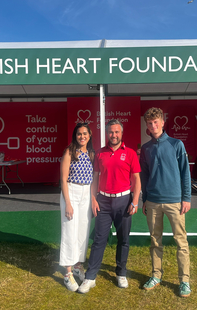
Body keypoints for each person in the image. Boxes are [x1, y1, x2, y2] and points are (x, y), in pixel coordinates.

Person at [78, 119, 141, 294]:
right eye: (111, 132)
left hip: (124, 201)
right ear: (107, 134)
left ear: (121, 133)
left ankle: (121, 273)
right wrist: (93, 198)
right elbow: (95, 178)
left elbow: (136, 179)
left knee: (124, 240)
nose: (113, 135)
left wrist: (135, 201)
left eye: (116, 132)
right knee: (99, 240)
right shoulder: (99, 153)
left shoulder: (130, 153)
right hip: (103, 201)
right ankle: (90, 277)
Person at [139, 107, 192, 298]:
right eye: (149, 123)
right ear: (147, 125)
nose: (153, 126)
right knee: (155, 241)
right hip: (152, 202)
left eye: (156, 122)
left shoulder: (176, 144)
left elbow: (185, 172)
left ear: (162, 122)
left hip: (175, 202)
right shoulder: (145, 149)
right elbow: (144, 176)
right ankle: (156, 275)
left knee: (181, 242)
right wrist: (144, 199)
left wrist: (186, 198)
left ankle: (184, 281)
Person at [59, 123, 95, 292]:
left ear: (90, 135)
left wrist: (93, 199)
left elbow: (94, 178)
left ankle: (78, 266)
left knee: (82, 231)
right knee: (69, 231)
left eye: (85, 133)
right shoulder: (69, 152)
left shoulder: (92, 153)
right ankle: (67, 274)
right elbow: (63, 179)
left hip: (86, 192)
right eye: (79, 134)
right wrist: (68, 202)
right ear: (75, 135)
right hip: (71, 191)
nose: (82, 136)